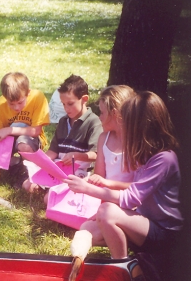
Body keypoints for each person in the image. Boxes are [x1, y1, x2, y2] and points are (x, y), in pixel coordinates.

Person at [65, 91, 183, 260]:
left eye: (127, 123)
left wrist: (87, 189)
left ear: (140, 126)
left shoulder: (164, 158)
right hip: (143, 223)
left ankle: (121, 265)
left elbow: (131, 198)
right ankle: (125, 256)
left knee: (107, 211)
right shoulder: (144, 153)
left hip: (164, 233)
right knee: (88, 229)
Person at [23, 74, 102, 192]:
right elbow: (53, 150)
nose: (66, 108)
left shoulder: (93, 122)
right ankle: (50, 186)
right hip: (58, 169)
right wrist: (42, 162)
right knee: (27, 185)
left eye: (70, 104)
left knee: (49, 197)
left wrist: (76, 155)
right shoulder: (63, 121)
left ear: (84, 99)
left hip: (78, 173)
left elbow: (95, 155)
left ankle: (54, 190)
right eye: (63, 104)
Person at [0, 72, 50, 190]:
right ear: (4, 97)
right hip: (8, 143)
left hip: (30, 141)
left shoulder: (37, 97)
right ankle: (15, 163)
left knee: (23, 143)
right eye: (11, 104)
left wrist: (9, 130)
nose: (16, 108)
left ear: (28, 93)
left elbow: (35, 131)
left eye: (20, 102)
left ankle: (26, 172)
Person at [88, 85, 135, 189]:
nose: (99, 117)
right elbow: (98, 176)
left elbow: (140, 186)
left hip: (127, 200)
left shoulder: (136, 143)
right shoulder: (104, 139)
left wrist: (105, 183)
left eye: (102, 112)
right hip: (104, 195)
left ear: (114, 113)